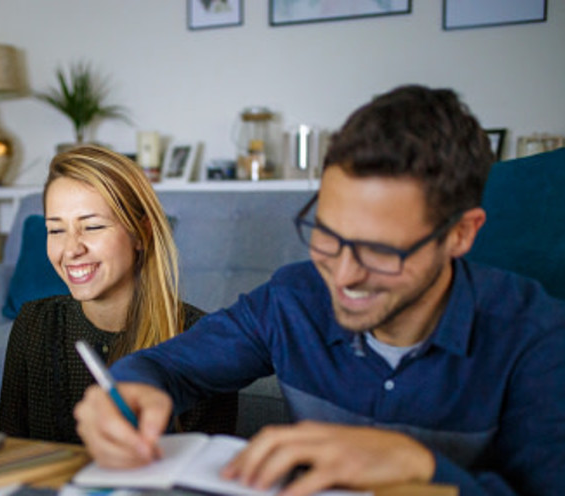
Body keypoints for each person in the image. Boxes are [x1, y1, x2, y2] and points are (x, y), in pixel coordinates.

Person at [74, 86, 565, 496]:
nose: (344, 276)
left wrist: (416, 463)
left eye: (379, 250)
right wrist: (132, 387)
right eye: (327, 235)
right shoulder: (293, 298)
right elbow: (167, 366)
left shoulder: (537, 336)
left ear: (460, 234)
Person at [0, 145, 237, 444]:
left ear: (141, 234)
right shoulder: (32, 323)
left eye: (93, 226)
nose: (71, 249)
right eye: (56, 230)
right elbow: (9, 452)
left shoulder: (201, 340)